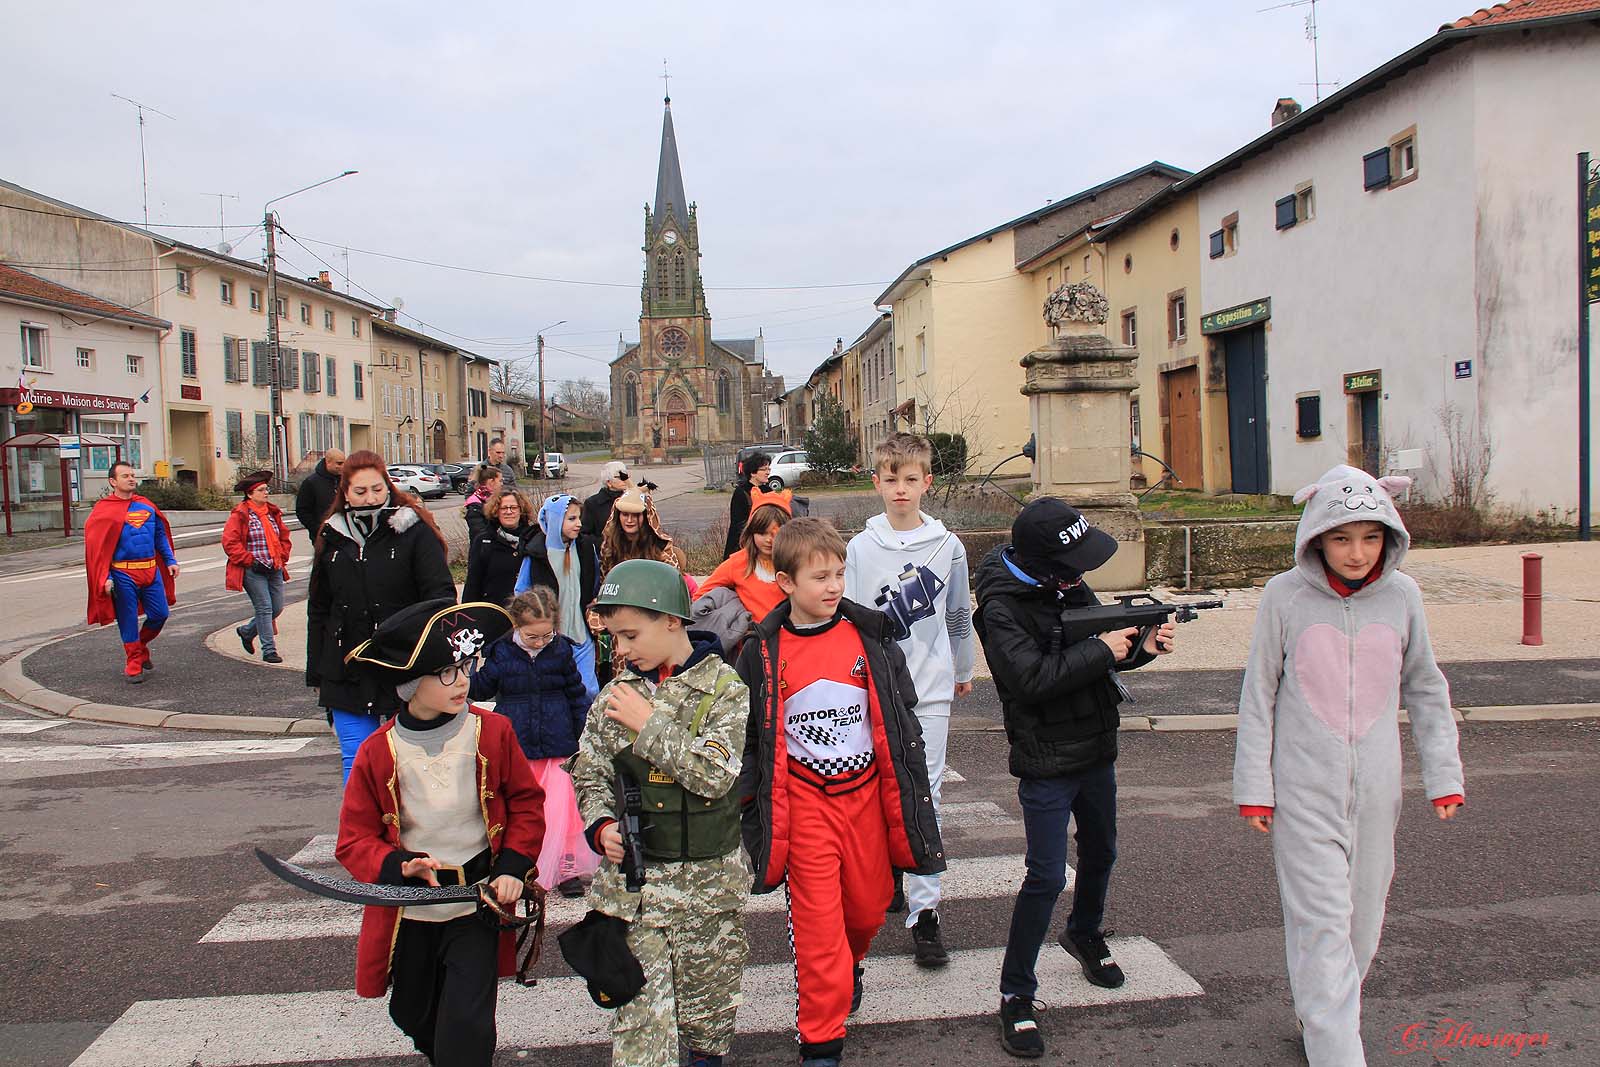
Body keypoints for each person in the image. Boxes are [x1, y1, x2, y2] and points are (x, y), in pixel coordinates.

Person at [1234, 466, 1463, 1067]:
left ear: (1390, 535)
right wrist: (1255, 787)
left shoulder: (1404, 597)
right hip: (1302, 790)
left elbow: (1426, 689)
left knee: (1362, 923)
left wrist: (1443, 774)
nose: (1357, 552)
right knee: (1322, 922)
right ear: (1316, 538)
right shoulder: (1283, 596)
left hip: (1378, 790)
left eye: (1370, 536)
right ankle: (1338, 1050)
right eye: (1341, 537)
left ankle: (1320, 1013)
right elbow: (1258, 695)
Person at [736, 518, 944, 1067]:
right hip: (805, 805)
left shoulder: (868, 636)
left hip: (867, 801)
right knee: (817, 929)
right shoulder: (760, 653)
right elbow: (749, 738)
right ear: (785, 583)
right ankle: (821, 1041)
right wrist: (746, 804)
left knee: (870, 908)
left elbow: (902, 715)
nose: (833, 587)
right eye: (819, 577)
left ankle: (850, 963)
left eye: (839, 574)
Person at [973, 498, 1175, 1059]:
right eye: (1073, 564)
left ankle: (1085, 933)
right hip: (1045, 757)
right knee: (1044, 876)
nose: (1082, 574)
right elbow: (1032, 680)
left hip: (1094, 746)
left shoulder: (1066, 585)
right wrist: (1102, 649)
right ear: (1043, 562)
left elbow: (1098, 651)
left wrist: (1141, 649)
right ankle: (1016, 992)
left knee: (1103, 850)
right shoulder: (1000, 607)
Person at [337, 597, 545, 1067]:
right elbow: (353, 839)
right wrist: (397, 865)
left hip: (477, 901)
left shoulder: (491, 731)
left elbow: (528, 804)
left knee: (468, 1024)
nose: (464, 681)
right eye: (447, 673)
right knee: (413, 1012)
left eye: (467, 667)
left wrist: (513, 865)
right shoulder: (378, 751)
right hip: (411, 911)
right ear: (411, 685)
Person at [569, 559, 752, 1067]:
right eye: (614, 639)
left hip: (708, 895)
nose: (621, 650)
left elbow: (715, 775)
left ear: (672, 620)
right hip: (637, 896)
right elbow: (590, 772)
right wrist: (601, 824)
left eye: (630, 635)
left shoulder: (725, 690)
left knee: (707, 1028)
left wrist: (648, 725)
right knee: (642, 1037)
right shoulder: (616, 694)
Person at [844, 432, 976, 966]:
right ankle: (890, 875)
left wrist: (963, 668)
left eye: (911, 479)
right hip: (875, 688)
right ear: (876, 483)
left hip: (930, 688)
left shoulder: (949, 548)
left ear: (928, 482)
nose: (901, 489)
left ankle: (926, 914)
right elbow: (847, 618)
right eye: (891, 479)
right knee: (876, 794)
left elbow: (958, 614)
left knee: (927, 796)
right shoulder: (860, 547)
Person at [306, 451, 455, 782]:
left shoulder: (414, 532)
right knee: (357, 762)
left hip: (400, 667)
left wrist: (427, 656)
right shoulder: (332, 537)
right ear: (344, 493)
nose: (370, 498)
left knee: (402, 766)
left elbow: (440, 598)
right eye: (360, 492)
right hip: (346, 667)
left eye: (377, 489)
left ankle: (403, 833)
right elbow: (319, 607)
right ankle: (360, 834)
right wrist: (316, 672)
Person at [469, 586, 596, 899]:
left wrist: (583, 732)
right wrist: (470, 665)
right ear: (516, 627)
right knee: (521, 807)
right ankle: (523, 864)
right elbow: (482, 689)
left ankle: (566, 868)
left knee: (563, 811)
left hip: (558, 740)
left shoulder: (562, 650)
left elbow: (576, 694)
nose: (540, 642)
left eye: (546, 635)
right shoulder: (501, 652)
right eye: (532, 637)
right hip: (518, 742)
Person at [84, 461, 178, 684]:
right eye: (125, 476)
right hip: (123, 573)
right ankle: (133, 660)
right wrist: (105, 577)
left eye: (133, 475)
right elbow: (98, 549)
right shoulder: (104, 510)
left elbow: (159, 536)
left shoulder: (145, 505)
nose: (131, 479)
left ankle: (140, 646)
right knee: (127, 618)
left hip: (150, 570)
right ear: (113, 481)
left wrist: (170, 560)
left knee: (160, 614)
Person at [514, 493, 601, 698]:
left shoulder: (585, 548)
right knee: (555, 691)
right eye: (571, 519)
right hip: (551, 637)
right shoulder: (537, 554)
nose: (578, 524)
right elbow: (521, 591)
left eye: (579, 518)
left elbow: (595, 580)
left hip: (581, 633)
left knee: (589, 690)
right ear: (554, 520)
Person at [223, 471, 293, 664]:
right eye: (261, 490)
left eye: (266, 489)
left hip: (274, 567)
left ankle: (247, 631)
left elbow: (284, 537)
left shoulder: (272, 513)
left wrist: (282, 555)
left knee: (276, 608)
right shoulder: (241, 514)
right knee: (264, 607)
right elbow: (230, 542)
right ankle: (269, 650)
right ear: (250, 494)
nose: (266, 492)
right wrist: (249, 560)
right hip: (253, 570)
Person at [696, 489, 793, 624]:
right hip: (755, 640)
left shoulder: (796, 562)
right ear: (751, 532)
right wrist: (732, 617)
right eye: (762, 533)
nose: (769, 540)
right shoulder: (739, 563)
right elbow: (700, 597)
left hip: (794, 638)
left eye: (775, 533)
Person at [462, 488, 534, 607]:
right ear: (496, 511)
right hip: (494, 611)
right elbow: (473, 582)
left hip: (528, 613)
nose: (509, 512)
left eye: (514, 508)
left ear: (521, 511)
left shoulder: (532, 538)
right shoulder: (484, 541)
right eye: (504, 508)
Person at [599, 486, 690, 576]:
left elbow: (672, 580)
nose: (629, 520)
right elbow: (606, 582)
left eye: (635, 515)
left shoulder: (661, 546)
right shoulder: (609, 545)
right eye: (625, 515)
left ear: (646, 518)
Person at [723, 451, 771, 560]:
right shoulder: (741, 492)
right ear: (753, 473)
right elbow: (738, 524)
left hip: (765, 545)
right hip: (745, 546)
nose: (768, 472)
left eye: (769, 469)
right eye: (764, 469)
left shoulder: (768, 491)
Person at [294, 448, 345, 549]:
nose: (342, 467)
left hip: (345, 536)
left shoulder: (345, 481)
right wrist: (319, 530)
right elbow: (302, 511)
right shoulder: (311, 483)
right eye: (339, 463)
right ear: (328, 462)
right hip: (323, 539)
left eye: (344, 463)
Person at [580, 460, 630, 537]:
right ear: (609, 482)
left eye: (626, 476)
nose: (625, 480)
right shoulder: (592, 503)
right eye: (621, 477)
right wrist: (604, 544)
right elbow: (585, 534)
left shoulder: (630, 499)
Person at [463, 466, 504, 544]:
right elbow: (480, 532)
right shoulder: (475, 505)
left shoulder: (497, 498)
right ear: (491, 482)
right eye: (500, 481)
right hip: (482, 549)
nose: (502, 484)